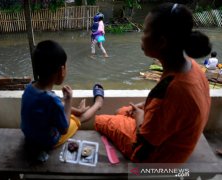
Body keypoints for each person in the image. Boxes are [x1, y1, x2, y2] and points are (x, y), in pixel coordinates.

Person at [95, 3, 211, 163]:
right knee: (122, 111)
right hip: (182, 140)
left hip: (158, 157)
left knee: (100, 120)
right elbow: (168, 107)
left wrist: (140, 117)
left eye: (145, 31)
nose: (141, 36)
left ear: (162, 41)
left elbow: (145, 139)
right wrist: (145, 108)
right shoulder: (192, 67)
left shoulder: (170, 90)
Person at [20, 40, 104, 160]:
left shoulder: (29, 88)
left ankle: (79, 110)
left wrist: (66, 104)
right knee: (78, 119)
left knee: (61, 105)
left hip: (30, 136)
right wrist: (69, 100)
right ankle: (98, 104)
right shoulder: (52, 100)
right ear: (61, 70)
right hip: (47, 141)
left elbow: (53, 103)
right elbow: (64, 129)